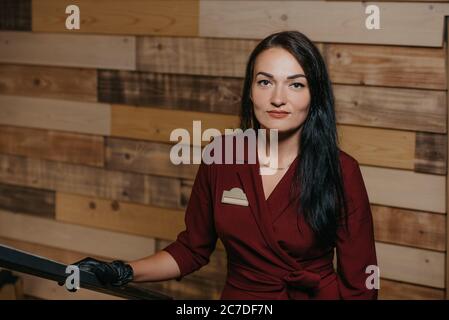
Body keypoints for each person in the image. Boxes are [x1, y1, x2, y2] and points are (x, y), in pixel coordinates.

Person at [70, 30, 378, 300]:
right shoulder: (222, 156)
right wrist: (121, 270)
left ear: (315, 95)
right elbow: (192, 249)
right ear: (249, 90)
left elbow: (361, 286)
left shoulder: (342, 171)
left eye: (296, 85)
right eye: (265, 82)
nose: (278, 98)